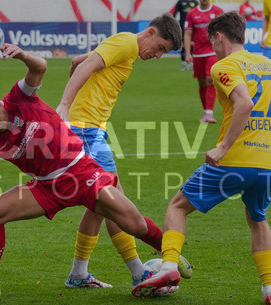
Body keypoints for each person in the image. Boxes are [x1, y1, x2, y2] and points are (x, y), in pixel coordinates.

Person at [0, 43, 167, 301]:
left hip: (80, 172)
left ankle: (172, 260)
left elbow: (40, 67)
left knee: (134, 223)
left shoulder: (18, 97)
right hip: (46, 188)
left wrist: (23, 55)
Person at [133, 11, 271, 305]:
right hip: (270, 164)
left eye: (213, 42)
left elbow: (245, 102)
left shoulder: (224, 66)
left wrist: (223, 147)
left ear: (219, 37)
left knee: (177, 206)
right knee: (257, 219)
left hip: (235, 160)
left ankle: (169, 267)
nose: (213, 47)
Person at [53, 14, 183, 291]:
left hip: (90, 129)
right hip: (86, 131)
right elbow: (85, 64)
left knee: (99, 206)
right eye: (160, 48)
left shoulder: (125, 47)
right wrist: (66, 106)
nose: (158, 55)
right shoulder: (126, 43)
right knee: (116, 202)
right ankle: (139, 273)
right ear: (150, 32)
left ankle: (78, 274)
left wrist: (73, 107)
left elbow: (77, 63)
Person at [183, 0, 224, 123]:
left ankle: (209, 113)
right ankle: (206, 111)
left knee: (210, 79)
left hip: (213, 52)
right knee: (201, 83)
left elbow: (224, 32)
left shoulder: (218, 11)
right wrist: (187, 53)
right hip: (198, 53)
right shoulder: (192, 13)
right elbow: (188, 34)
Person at [171, 0, 199, 71]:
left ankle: (191, 63)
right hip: (183, 27)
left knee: (192, 45)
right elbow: (175, 14)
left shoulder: (195, 3)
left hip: (193, 27)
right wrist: (173, 24)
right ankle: (183, 63)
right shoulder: (180, 2)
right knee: (183, 45)